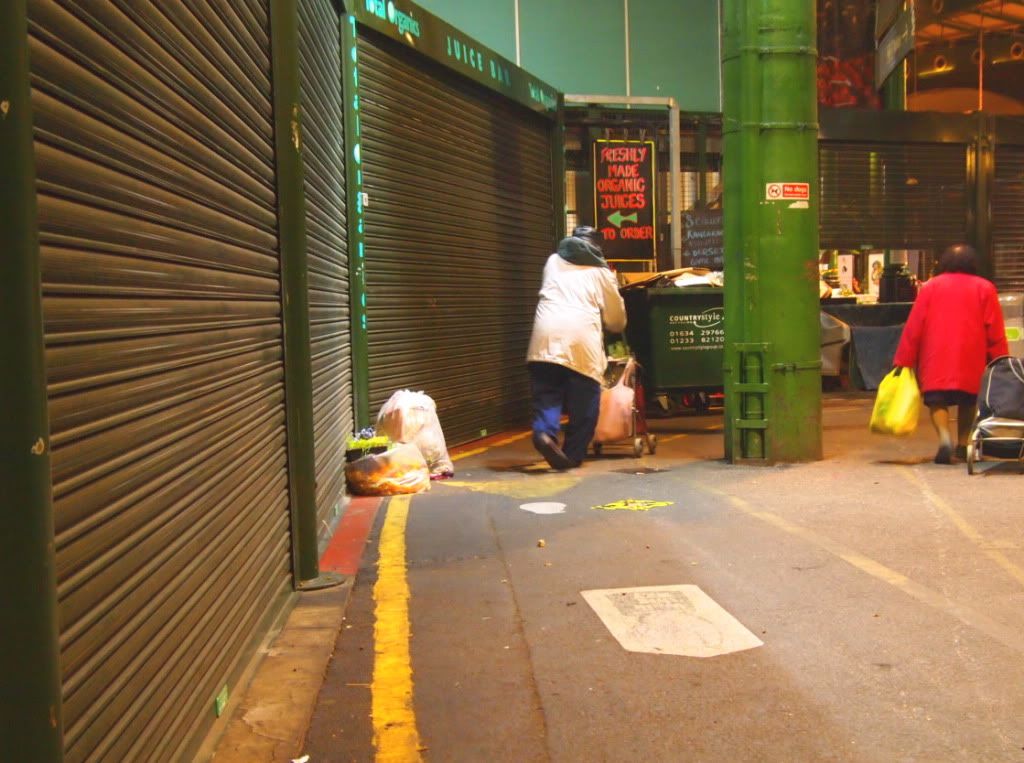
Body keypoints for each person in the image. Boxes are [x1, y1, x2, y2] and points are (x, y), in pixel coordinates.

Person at [893, 243, 1008, 464]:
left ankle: (944, 438)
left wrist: (904, 358)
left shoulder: (931, 287)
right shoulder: (985, 288)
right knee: (968, 400)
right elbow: (994, 328)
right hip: (970, 355)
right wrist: (1000, 360)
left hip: (936, 354)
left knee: (937, 399)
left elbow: (914, 326)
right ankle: (963, 444)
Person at [526, 226, 626, 469]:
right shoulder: (601, 272)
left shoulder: (552, 261)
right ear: (596, 247)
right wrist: (616, 326)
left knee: (548, 395)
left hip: (544, 338)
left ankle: (544, 434)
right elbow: (615, 318)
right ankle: (571, 456)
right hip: (580, 342)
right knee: (585, 405)